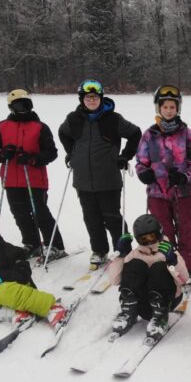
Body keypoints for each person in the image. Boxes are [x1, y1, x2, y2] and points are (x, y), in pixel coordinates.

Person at [58, 79, 141, 269]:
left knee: (113, 217)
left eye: (95, 97)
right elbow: (63, 133)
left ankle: (123, 251)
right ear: (82, 99)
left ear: (101, 98)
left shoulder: (113, 119)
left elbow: (135, 133)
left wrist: (125, 156)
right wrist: (72, 153)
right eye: (88, 97)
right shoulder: (73, 119)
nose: (91, 100)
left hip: (108, 178)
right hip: (83, 180)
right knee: (91, 218)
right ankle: (99, 251)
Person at [135, 85, 191, 284]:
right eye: (164, 107)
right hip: (157, 194)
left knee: (185, 231)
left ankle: (188, 268)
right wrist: (143, 173)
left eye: (172, 107)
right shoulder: (149, 135)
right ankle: (167, 265)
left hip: (182, 194)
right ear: (158, 108)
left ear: (178, 108)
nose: (168, 110)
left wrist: (184, 176)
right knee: (163, 233)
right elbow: (141, 161)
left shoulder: (187, 134)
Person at [0, 89, 66, 260]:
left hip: (34, 179)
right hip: (11, 179)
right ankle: (32, 243)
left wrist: (32, 158)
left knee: (40, 213)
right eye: (18, 106)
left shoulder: (40, 127)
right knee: (20, 214)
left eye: (25, 105)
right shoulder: (2, 126)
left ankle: (55, 245)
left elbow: (51, 152)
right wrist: (3, 153)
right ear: (11, 107)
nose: (22, 109)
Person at [108, 214, 189, 340]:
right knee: (135, 264)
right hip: (141, 304)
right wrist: (120, 256)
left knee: (159, 268)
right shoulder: (135, 254)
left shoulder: (168, 251)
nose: (149, 241)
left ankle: (160, 317)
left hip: (166, 302)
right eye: (144, 239)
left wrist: (173, 261)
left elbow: (184, 280)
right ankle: (129, 311)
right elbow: (114, 280)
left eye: (152, 236)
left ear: (159, 233)